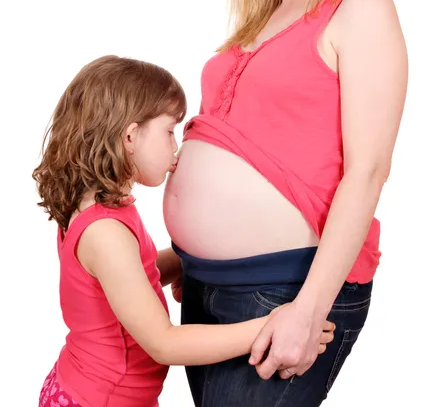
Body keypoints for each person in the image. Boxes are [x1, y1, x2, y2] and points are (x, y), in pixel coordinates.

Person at [163, 0, 408, 406]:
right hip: (205, 288)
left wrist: (308, 310)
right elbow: (262, 151)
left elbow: (367, 172)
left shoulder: (360, 7)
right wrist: (186, 253)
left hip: (285, 291)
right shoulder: (260, 21)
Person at [34, 55, 335, 407]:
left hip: (86, 387)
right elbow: (164, 344)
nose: (175, 148)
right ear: (130, 136)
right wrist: (271, 326)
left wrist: (191, 259)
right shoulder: (105, 234)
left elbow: (129, 279)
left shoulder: (97, 207)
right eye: (169, 131)